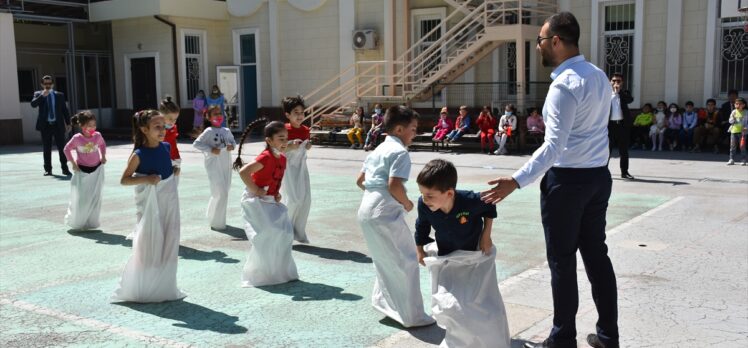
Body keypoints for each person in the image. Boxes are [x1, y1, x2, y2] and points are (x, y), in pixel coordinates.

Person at [481, 12, 619, 348]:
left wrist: (516, 180)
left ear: (556, 41)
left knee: (562, 260)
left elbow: (553, 146)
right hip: (598, 179)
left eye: (541, 40)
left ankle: (562, 339)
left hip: (568, 185)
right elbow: (608, 122)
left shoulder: (563, 85)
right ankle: (608, 337)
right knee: (596, 257)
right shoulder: (599, 76)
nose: (539, 46)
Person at [414, 159, 510, 348]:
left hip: (474, 256)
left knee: (477, 303)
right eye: (422, 194)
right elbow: (421, 226)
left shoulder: (469, 200)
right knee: (450, 304)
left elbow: (489, 207)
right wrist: (419, 251)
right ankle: (459, 340)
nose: (425, 200)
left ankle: (487, 339)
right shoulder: (424, 205)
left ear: (449, 193)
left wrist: (486, 234)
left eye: (430, 195)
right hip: (448, 258)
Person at [355, 105, 435, 328]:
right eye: (413, 129)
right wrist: (407, 203)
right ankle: (412, 316)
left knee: (384, 260)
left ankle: (386, 305)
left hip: (366, 208)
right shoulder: (400, 152)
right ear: (399, 129)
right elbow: (394, 185)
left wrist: (376, 195)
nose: (415, 133)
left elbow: (360, 181)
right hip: (384, 211)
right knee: (406, 261)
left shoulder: (376, 150)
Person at [113, 109, 185, 303]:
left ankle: (164, 284)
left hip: (168, 201)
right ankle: (146, 285)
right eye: (157, 127)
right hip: (150, 206)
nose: (162, 130)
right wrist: (147, 179)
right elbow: (124, 180)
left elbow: (166, 169)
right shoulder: (138, 154)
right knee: (150, 241)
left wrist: (173, 171)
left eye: (164, 126)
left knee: (170, 236)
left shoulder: (166, 147)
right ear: (144, 129)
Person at [234, 119, 299, 287]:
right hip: (254, 200)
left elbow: (274, 179)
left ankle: (279, 272)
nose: (285, 142)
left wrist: (275, 193)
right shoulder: (266, 157)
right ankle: (260, 274)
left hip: (269, 200)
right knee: (266, 234)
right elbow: (244, 172)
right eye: (280, 139)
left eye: (286, 138)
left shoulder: (282, 159)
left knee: (285, 232)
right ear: (269, 141)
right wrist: (255, 189)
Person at [193, 105, 236, 231]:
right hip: (213, 164)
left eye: (220, 113)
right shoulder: (208, 132)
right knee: (220, 191)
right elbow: (197, 144)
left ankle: (213, 216)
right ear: (209, 117)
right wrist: (211, 149)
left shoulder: (226, 131)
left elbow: (233, 143)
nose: (218, 116)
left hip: (225, 163)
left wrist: (231, 147)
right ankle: (217, 222)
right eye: (215, 114)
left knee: (223, 191)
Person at [63, 110, 106, 230]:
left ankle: (91, 221)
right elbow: (66, 149)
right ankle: (79, 221)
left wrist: (103, 156)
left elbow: (102, 145)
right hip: (82, 171)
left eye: (94, 125)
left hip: (97, 169)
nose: (92, 128)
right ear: (81, 126)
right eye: (89, 126)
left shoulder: (97, 136)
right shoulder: (77, 138)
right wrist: (72, 163)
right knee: (82, 198)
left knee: (95, 196)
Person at [281, 95, 313, 243]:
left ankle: (298, 232)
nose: (300, 116)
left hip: (301, 168)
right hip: (287, 168)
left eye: (302, 112)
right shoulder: (283, 130)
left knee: (305, 200)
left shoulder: (306, 130)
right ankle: (284, 230)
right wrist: (289, 146)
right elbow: (276, 149)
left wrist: (307, 146)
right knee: (293, 199)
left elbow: (305, 147)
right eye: (296, 112)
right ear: (288, 115)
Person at [31, 75, 72, 176]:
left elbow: (64, 110)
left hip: (58, 125)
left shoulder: (59, 95)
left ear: (53, 84)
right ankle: (48, 169)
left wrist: (68, 123)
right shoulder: (38, 94)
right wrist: (42, 96)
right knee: (46, 148)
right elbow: (33, 104)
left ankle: (65, 168)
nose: (48, 86)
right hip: (46, 126)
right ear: (42, 84)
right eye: (45, 84)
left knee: (62, 148)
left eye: (49, 84)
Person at [608, 73, 634, 179]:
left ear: (622, 83)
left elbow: (630, 100)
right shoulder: (606, 93)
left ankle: (624, 172)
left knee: (623, 151)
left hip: (622, 126)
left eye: (618, 81)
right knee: (606, 151)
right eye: (614, 81)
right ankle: (603, 172)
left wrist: (619, 92)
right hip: (610, 126)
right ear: (610, 82)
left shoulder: (624, 93)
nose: (615, 83)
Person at [159, 96, 182, 168]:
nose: (173, 122)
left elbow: (173, 143)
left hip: (174, 159)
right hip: (162, 160)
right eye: (170, 118)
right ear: (161, 115)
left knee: (175, 178)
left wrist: (177, 160)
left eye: (175, 119)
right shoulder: (157, 129)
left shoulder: (174, 128)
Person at [726, 97, 747, 166]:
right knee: (732, 146)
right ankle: (731, 159)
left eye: (740, 104)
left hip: (743, 132)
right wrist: (733, 118)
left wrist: (746, 128)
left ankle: (743, 160)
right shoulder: (734, 112)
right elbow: (730, 121)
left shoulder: (746, 112)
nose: (738, 105)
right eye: (736, 104)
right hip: (734, 131)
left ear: (744, 105)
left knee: (742, 146)